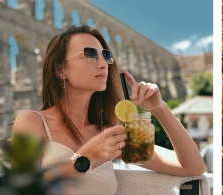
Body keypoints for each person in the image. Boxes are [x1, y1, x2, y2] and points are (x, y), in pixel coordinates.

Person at [12, 25, 206, 194]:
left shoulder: (109, 135)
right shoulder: (32, 122)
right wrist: (86, 158)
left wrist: (160, 108)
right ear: (60, 70)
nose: (103, 63)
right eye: (90, 54)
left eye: (106, 55)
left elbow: (193, 166)